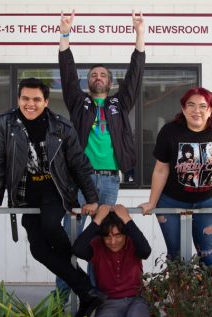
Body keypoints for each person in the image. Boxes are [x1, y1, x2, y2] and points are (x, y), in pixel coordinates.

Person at [0, 78, 106, 317]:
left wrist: (92, 198)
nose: (30, 104)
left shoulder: (62, 127)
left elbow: (79, 164)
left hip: (55, 190)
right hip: (25, 194)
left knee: (50, 225)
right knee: (38, 249)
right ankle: (87, 291)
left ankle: (85, 287)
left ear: (46, 102)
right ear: (18, 99)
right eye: (25, 98)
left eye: (37, 99)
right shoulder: (5, 124)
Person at [57, 9, 146, 295]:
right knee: (69, 235)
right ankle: (64, 295)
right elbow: (67, 75)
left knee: (101, 237)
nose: (98, 77)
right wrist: (65, 34)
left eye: (103, 74)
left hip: (109, 181)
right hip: (79, 179)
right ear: (88, 82)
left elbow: (135, 76)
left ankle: (96, 294)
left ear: (110, 82)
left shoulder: (120, 104)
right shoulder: (79, 103)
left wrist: (140, 34)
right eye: (93, 74)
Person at [139, 87, 212, 265]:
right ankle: (179, 293)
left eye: (202, 106)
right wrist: (152, 202)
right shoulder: (170, 131)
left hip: (210, 200)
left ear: (210, 110)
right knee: (176, 255)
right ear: (183, 109)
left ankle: (211, 293)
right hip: (171, 200)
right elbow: (161, 169)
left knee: (207, 253)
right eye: (190, 105)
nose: (196, 110)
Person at [73, 204, 151, 317]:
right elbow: (78, 249)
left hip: (136, 301)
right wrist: (97, 219)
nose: (113, 241)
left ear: (126, 234)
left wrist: (127, 219)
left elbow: (146, 251)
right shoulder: (97, 246)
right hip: (108, 303)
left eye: (118, 235)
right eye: (107, 237)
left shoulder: (133, 243)